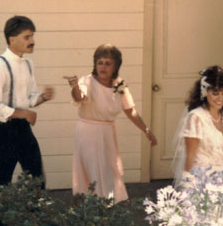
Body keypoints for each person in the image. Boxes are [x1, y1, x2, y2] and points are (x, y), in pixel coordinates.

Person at [64, 44, 157, 202]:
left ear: (115, 66)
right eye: (100, 62)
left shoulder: (118, 84)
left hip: (107, 133)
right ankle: (92, 207)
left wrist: (146, 130)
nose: (103, 67)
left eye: (108, 63)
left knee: (109, 170)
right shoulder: (87, 81)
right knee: (93, 172)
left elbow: (130, 110)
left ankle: (107, 206)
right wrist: (74, 87)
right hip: (88, 132)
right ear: (95, 64)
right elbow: (79, 97)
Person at [0, 15, 54, 187]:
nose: (32, 41)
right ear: (11, 39)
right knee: (1, 182)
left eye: (32, 36)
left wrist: (43, 98)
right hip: (2, 131)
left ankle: (35, 213)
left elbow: (28, 99)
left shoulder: (28, 64)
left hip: (23, 129)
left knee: (36, 179)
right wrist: (24, 113)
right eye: (27, 37)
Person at [172, 65, 223, 188]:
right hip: (200, 181)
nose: (220, 99)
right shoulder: (196, 117)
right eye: (215, 93)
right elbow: (190, 155)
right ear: (205, 92)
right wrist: (187, 185)